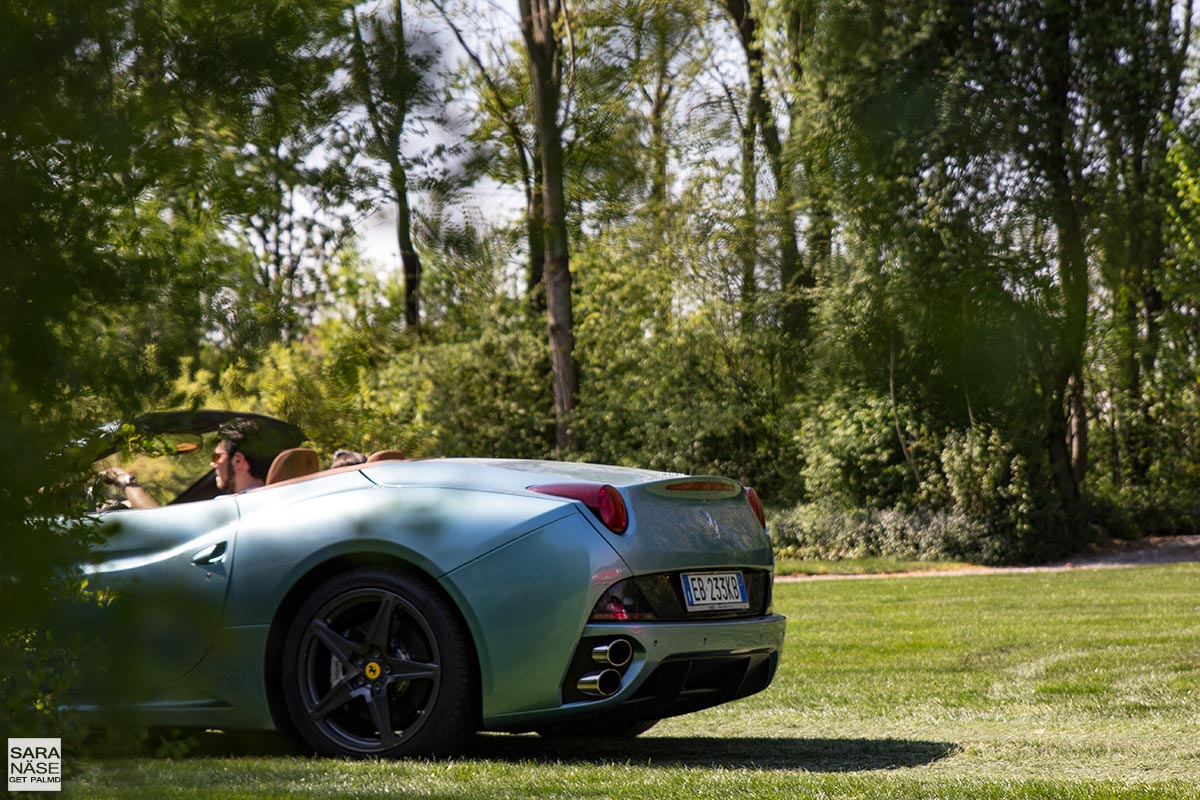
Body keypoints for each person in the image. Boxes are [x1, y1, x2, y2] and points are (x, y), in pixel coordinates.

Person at [104, 418, 273, 509]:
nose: (213, 465)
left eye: (216, 457)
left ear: (237, 460)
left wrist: (125, 480)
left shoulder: (228, 507)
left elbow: (161, 526)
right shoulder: (273, 500)